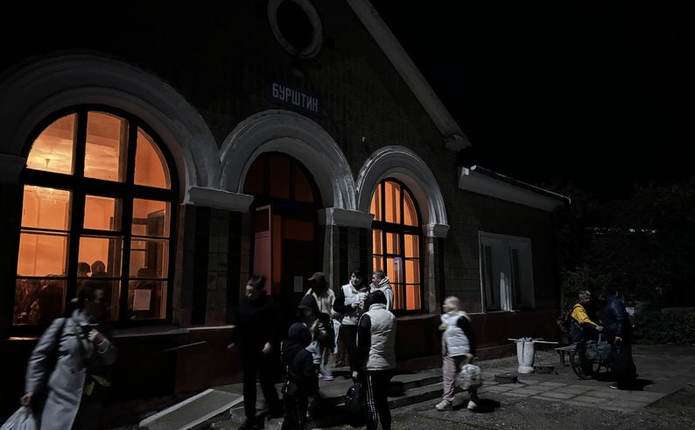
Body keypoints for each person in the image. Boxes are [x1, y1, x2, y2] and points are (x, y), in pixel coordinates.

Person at [21, 283, 117, 430]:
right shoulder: (64, 325)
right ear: (87, 302)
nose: (104, 305)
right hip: (60, 401)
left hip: (89, 404)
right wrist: (32, 389)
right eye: (100, 300)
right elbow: (39, 356)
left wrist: (100, 340)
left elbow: (111, 359)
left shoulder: (103, 328)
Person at [230, 275, 282, 430]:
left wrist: (270, 342)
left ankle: (275, 408)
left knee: (266, 381)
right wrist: (234, 340)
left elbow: (276, 326)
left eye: (252, 292)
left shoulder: (269, 304)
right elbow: (238, 323)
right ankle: (250, 416)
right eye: (247, 290)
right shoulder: (244, 303)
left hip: (263, 348)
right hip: (247, 349)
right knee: (248, 384)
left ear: (259, 291)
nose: (249, 294)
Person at [355, 290, 397, 430]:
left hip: (372, 365)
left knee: (371, 401)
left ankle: (372, 427)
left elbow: (362, 345)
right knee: (382, 400)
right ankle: (386, 427)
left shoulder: (367, 317)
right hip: (388, 364)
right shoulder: (391, 316)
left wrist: (357, 367)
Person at [435, 296, 478, 411]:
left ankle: (473, 398)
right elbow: (441, 334)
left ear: (453, 305)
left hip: (462, 353)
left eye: (446, 303)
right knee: (448, 377)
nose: (444, 305)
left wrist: (471, 352)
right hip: (448, 353)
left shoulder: (461, 318)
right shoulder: (444, 319)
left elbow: (471, 335)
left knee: (468, 376)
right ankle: (447, 400)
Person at [281, 323, 317, 430]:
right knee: (300, 418)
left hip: (288, 388)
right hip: (300, 391)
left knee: (289, 417)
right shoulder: (306, 354)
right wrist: (312, 392)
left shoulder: (286, 348)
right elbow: (308, 375)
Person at [333, 269, 368, 372]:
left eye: (358, 277)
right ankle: (355, 371)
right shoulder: (344, 289)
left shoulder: (367, 290)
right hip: (348, 324)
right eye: (353, 277)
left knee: (361, 348)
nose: (355, 279)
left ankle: (359, 370)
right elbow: (336, 307)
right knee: (352, 348)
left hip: (362, 323)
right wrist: (350, 307)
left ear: (362, 279)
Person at [603, 288, 637, 390]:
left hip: (618, 337)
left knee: (620, 359)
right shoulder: (614, 302)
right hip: (619, 335)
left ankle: (622, 383)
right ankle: (627, 381)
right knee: (624, 358)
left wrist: (618, 334)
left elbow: (620, 319)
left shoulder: (613, 303)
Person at [304, 272, 336, 381]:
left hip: (326, 322)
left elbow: (333, 307)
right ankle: (316, 369)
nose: (313, 284)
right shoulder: (311, 292)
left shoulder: (330, 293)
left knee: (326, 347)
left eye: (315, 282)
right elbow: (305, 305)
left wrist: (332, 315)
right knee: (314, 346)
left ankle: (325, 368)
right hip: (313, 322)